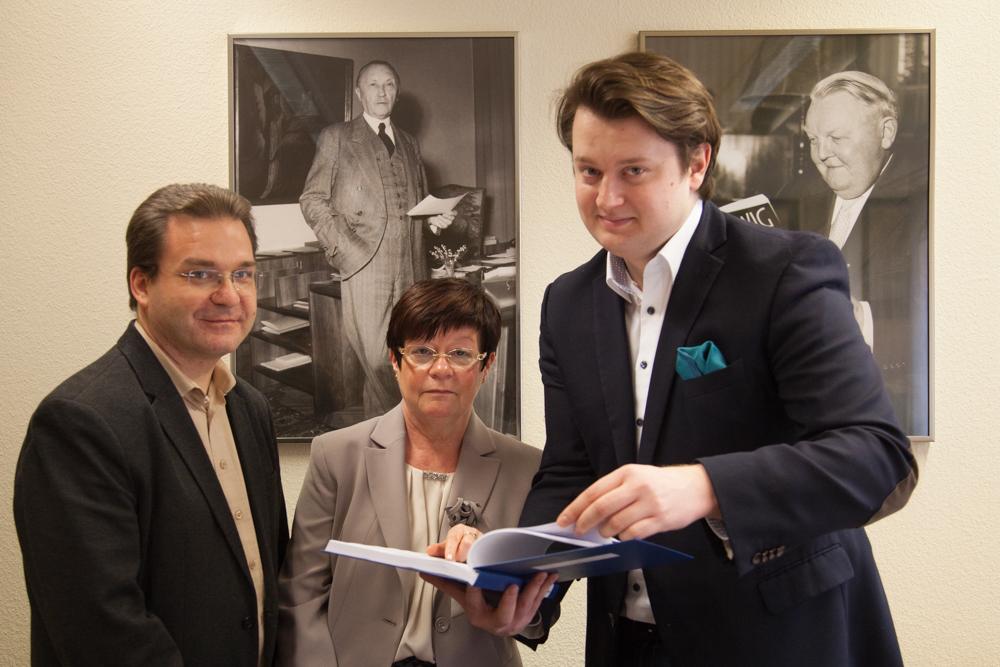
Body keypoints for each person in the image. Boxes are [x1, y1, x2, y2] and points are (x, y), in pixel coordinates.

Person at [432, 52, 918, 666]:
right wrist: (522, 586)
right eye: (588, 171)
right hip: (628, 643)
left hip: (779, 638)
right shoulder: (567, 303)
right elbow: (571, 472)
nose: (606, 197)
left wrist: (705, 487)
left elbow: (879, 458)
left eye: (633, 170)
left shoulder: (785, 271)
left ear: (697, 163)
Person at [13, 183, 288, 666]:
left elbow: (269, 584)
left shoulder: (249, 408)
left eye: (242, 274)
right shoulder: (80, 423)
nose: (229, 295)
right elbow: (103, 632)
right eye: (200, 274)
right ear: (141, 285)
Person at [276, 277, 543, 667]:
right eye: (422, 351)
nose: (440, 369)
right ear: (395, 360)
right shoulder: (336, 455)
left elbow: (535, 612)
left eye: (460, 353)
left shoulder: (527, 467)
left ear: (486, 365)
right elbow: (302, 595)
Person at [300, 59, 455, 420]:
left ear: (397, 93)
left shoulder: (409, 142)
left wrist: (432, 221)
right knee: (376, 358)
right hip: (364, 264)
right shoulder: (337, 137)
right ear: (359, 93)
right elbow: (312, 199)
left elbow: (413, 205)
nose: (382, 92)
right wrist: (345, 250)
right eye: (373, 85)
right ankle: (408, 425)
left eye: (389, 85)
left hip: (411, 265)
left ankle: (385, 437)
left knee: (409, 354)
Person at [801, 70, 930, 434]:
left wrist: (862, 320)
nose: (821, 154)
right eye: (813, 139)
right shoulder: (801, 200)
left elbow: (951, 324)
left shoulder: (927, 208)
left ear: (886, 132)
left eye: (836, 138)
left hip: (885, 417)